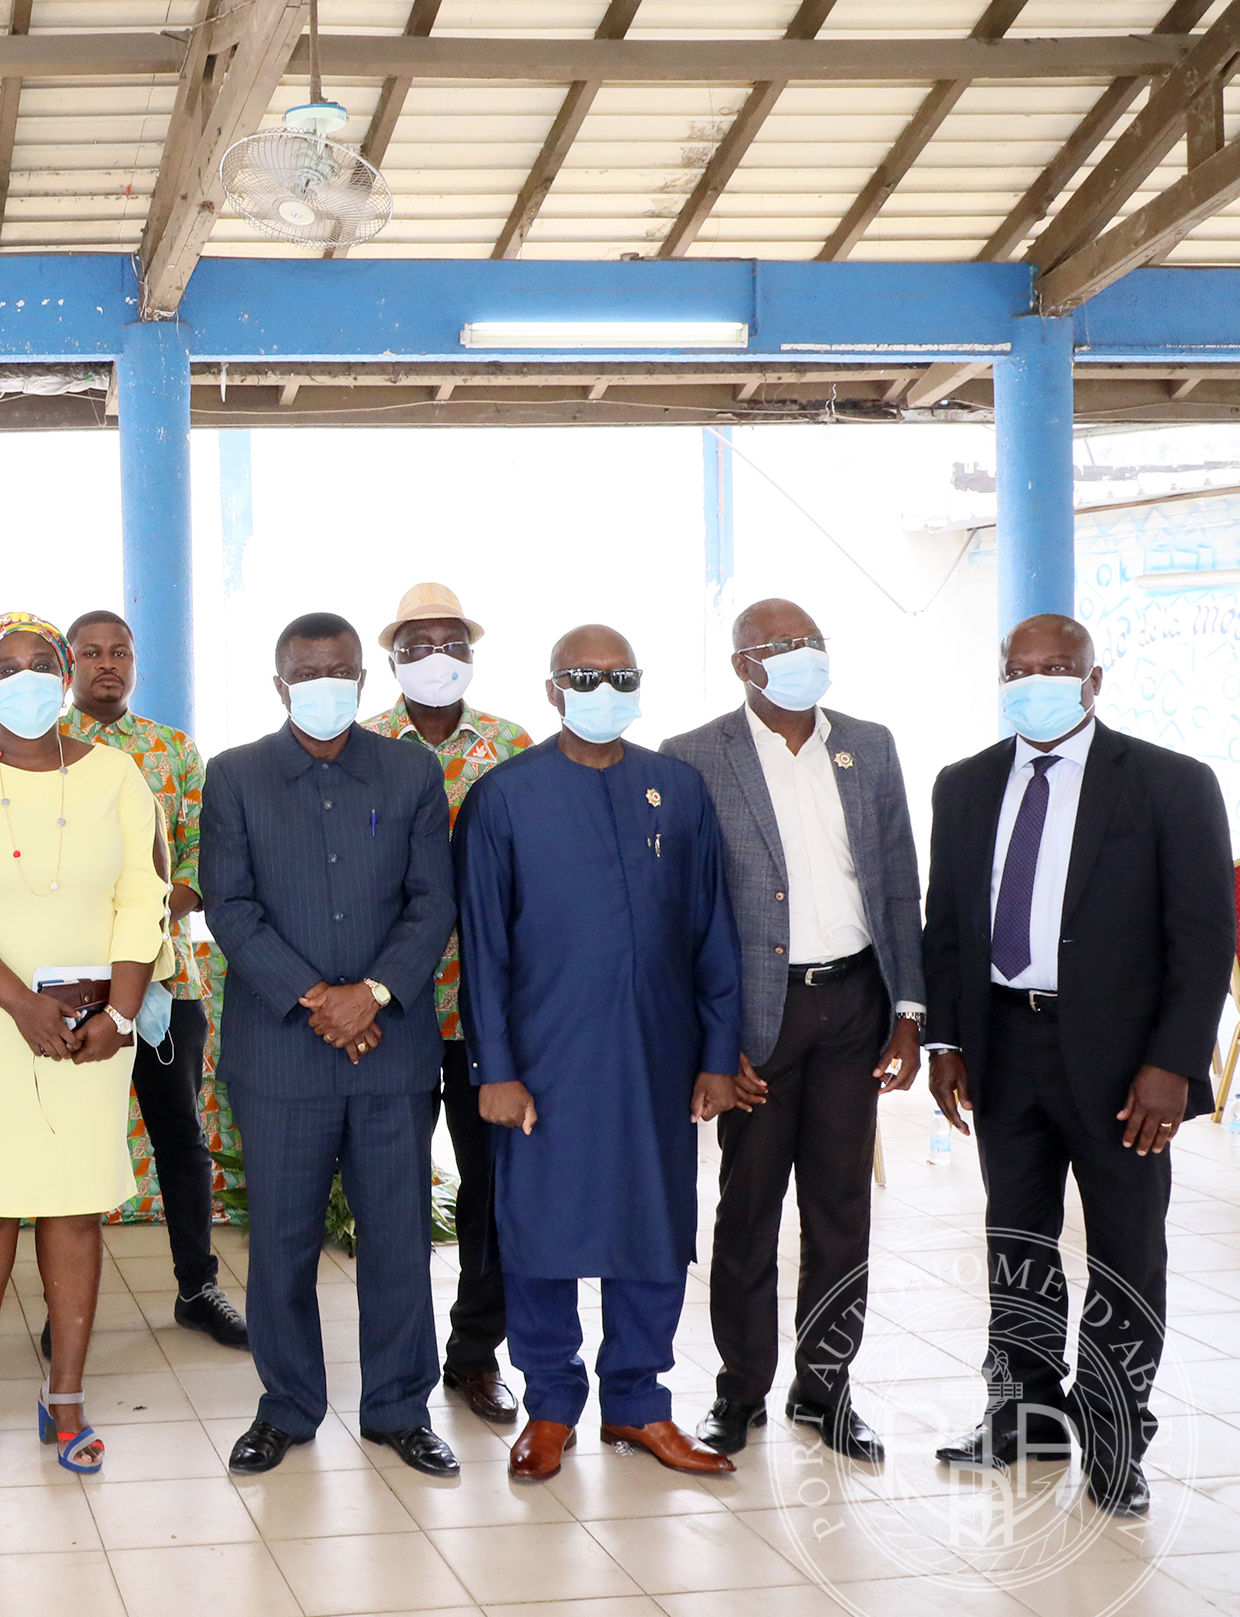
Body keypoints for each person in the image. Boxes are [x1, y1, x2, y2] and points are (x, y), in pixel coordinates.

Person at [923, 614, 1233, 1518]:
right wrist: (947, 1042)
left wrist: (1172, 1063)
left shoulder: (1171, 783)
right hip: (1002, 1047)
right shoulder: (965, 784)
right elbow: (948, 927)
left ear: (1095, 680)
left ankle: (1114, 1433)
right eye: (1021, 670)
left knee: (1126, 1250)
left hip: (1126, 1066)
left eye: (1059, 667)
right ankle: (1023, 1413)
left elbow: (1206, 936)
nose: (1038, 682)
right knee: (1016, 1240)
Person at [456, 623, 744, 1482]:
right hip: (545, 1061)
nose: (604, 690)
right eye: (586, 676)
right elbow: (483, 948)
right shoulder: (504, 796)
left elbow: (711, 932)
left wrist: (718, 1054)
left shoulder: (677, 790)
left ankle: (639, 1406)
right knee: (541, 1231)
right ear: (552, 688)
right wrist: (496, 1071)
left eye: (622, 675)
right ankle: (550, 1407)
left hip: (659, 1059)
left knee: (653, 1228)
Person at [0, 612, 167, 1480]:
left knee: (73, 1208)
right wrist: (20, 1005)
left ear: (63, 677)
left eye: (40, 663)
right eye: (5, 668)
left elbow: (145, 895)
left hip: (97, 1026)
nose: (26, 679)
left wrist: (122, 1015)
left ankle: (66, 1398)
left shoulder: (120, 774)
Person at [665, 599, 926, 1465]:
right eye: (785, 646)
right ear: (745, 665)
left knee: (841, 1208)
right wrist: (712, 1040)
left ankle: (826, 1390)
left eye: (815, 641)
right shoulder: (695, 757)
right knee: (746, 1210)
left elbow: (897, 885)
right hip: (756, 1016)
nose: (806, 656)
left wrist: (909, 1013)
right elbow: (685, 914)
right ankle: (739, 1392)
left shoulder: (869, 744)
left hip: (855, 1004)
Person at [205, 612, 459, 1477]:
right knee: (280, 1241)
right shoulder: (234, 775)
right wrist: (318, 998)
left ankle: (398, 1407)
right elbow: (230, 906)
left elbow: (433, 901)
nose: (326, 685)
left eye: (341, 671)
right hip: (281, 1052)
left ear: (362, 677)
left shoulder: (410, 767)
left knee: (396, 1236)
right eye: (307, 674)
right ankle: (286, 1407)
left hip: (389, 1049)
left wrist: (374, 994)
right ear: (279, 686)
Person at [361, 582, 532, 1426]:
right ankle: (394, 1368)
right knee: (391, 1193)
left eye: (452, 642)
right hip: (384, 1010)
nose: (438, 658)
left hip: (484, 1010)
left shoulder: (510, 746)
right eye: (419, 644)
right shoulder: (357, 745)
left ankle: (474, 1355)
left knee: (489, 1191)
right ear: (390, 657)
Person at [64, 609, 247, 1349]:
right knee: (75, 1142)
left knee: (181, 1136)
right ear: (68, 666)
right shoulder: (43, 752)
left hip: (169, 982)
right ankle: (65, 1303)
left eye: (121, 653)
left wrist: (140, 920)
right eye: (91, 653)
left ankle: (197, 1286)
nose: (108, 664)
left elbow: (203, 861)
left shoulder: (172, 751)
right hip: (70, 987)